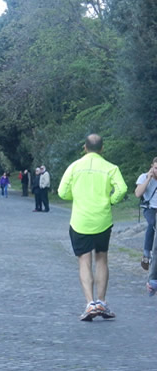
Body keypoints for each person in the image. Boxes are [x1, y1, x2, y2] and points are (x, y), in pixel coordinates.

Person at [58, 134, 127, 321]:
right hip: (102, 220)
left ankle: (90, 303)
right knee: (102, 258)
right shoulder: (111, 168)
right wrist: (110, 200)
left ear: (84, 147)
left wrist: (78, 196)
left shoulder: (74, 167)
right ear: (102, 148)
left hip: (80, 220)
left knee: (84, 260)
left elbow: (62, 192)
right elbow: (122, 189)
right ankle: (102, 302)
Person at [135, 158, 157, 271]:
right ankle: (146, 254)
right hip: (150, 208)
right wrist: (148, 179)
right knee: (152, 223)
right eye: (156, 168)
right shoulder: (143, 177)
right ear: (152, 167)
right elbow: (138, 193)